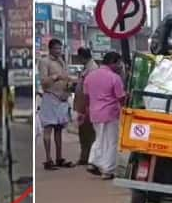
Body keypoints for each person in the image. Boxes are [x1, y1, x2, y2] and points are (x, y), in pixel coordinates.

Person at [83, 51, 126, 180]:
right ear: (113, 62)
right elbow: (121, 98)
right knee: (111, 142)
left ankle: (93, 162)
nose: (120, 66)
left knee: (99, 138)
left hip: (95, 113)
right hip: (110, 113)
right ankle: (108, 170)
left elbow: (86, 96)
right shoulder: (114, 78)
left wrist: (88, 109)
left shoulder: (90, 76)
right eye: (119, 63)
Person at [38, 38, 76, 170]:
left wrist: (70, 84)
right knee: (48, 129)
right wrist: (55, 77)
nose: (58, 51)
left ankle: (59, 157)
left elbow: (67, 77)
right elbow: (44, 82)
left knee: (59, 130)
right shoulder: (44, 61)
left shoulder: (62, 61)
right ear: (50, 49)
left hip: (62, 99)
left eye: (60, 48)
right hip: (50, 98)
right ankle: (48, 159)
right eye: (56, 48)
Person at [72, 47, 98, 165]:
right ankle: (84, 156)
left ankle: (89, 158)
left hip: (88, 105)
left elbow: (91, 90)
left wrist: (88, 107)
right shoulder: (86, 67)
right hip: (82, 104)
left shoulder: (92, 69)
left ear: (82, 57)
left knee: (89, 133)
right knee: (83, 132)